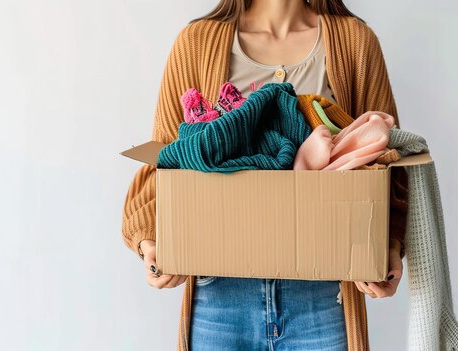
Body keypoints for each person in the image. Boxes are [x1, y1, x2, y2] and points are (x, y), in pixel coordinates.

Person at [122, 1, 409, 350]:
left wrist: (388, 245)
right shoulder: (196, 42)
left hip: (323, 293)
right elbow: (163, 157)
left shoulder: (354, 42)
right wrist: (151, 241)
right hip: (220, 296)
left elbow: (388, 161)